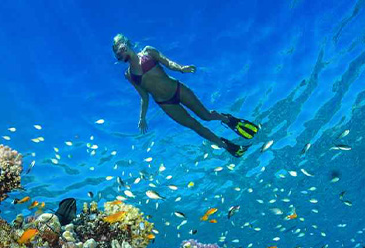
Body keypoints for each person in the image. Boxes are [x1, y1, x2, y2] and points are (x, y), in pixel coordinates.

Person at [111, 34, 259, 157]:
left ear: (126, 44)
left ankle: (228, 119)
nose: (120, 52)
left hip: (177, 89)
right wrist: (142, 117)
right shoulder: (129, 75)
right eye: (117, 52)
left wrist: (181, 68)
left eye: (121, 47)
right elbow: (144, 96)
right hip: (165, 103)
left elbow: (168, 62)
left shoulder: (148, 52)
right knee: (194, 126)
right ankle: (224, 145)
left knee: (206, 116)